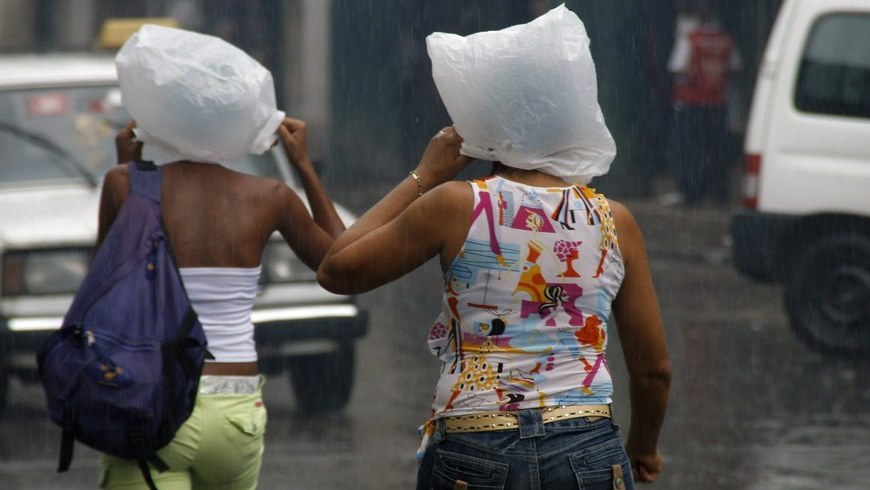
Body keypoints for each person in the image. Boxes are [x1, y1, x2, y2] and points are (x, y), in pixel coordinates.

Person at [317, 124, 672, 488]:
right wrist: (643, 447)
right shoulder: (613, 221)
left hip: (474, 443)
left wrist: (424, 176)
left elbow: (336, 271)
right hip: (587, 447)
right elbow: (653, 371)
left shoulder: (456, 205)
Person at [96, 116, 345, 489]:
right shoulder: (271, 196)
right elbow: (343, 267)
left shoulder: (125, 184)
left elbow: (104, 292)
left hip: (151, 399)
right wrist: (303, 164)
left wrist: (129, 166)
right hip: (232, 408)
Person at [665, 0, 741, 206]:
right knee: (715, 150)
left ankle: (690, 192)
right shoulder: (726, 40)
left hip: (691, 104)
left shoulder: (691, 39)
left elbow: (678, 68)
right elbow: (734, 68)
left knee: (688, 150)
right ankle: (717, 192)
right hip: (717, 105)